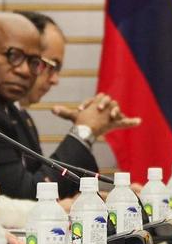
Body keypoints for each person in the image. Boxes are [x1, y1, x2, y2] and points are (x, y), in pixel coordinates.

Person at [0, 12, 121, 212]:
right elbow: (26, 195)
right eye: (14, 55)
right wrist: (83, 132)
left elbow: (48, 183)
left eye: (34, 62)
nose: (25, 71)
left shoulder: (12, 110)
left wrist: (97, 198)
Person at [18, 10, 136, 181]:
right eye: (51, 65)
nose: (55, 80)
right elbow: (28, 192)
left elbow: (41, 185)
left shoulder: (20, 115)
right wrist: (83, 130)